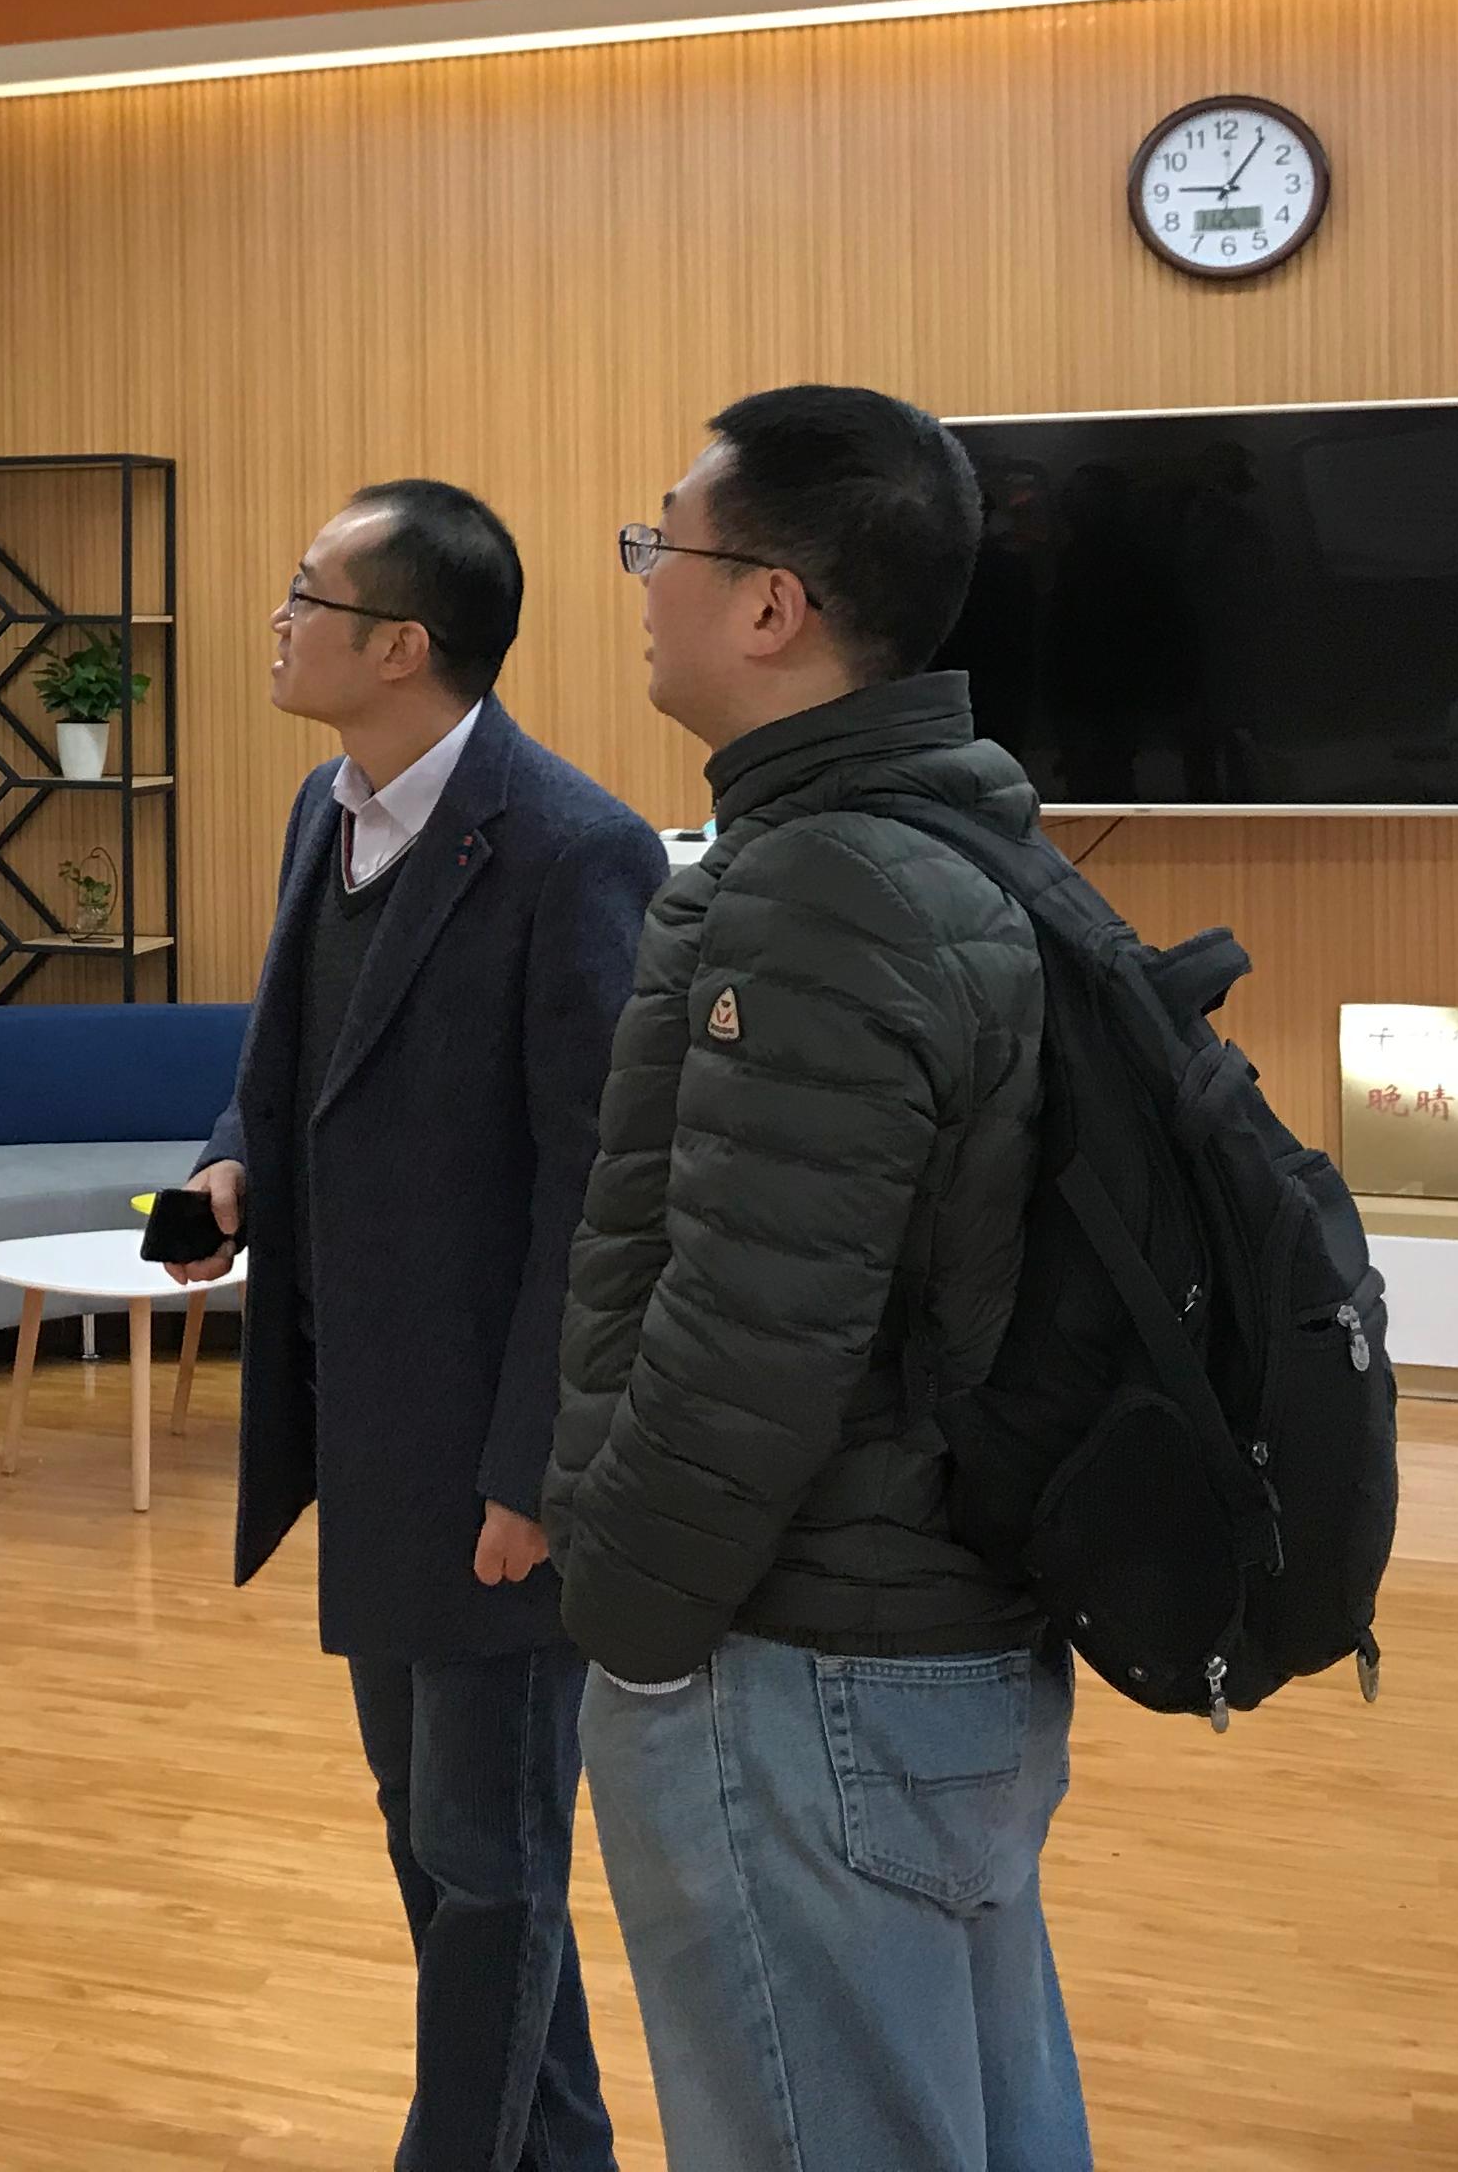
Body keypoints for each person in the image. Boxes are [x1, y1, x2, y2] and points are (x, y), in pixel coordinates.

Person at [543, 385, 1082, 2172]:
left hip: (801, 1667)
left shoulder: (824, 890)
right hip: (917, 1641)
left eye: (665, 543)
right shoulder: (938, 836)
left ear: (771, 605)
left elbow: (751, 1339)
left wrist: (625, 1621)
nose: (642, 578)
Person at [163, 479, 665, 2172]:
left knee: (487, 1860)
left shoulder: (571, 848)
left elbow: (600, 1193)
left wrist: (538, 1469)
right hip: (368, 1438)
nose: (278, 619)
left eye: (308, 593)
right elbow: (291, 1062)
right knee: (440, 1848)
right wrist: (229, 1165)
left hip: (494, 1464)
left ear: (402, 646)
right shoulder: (329, 808)